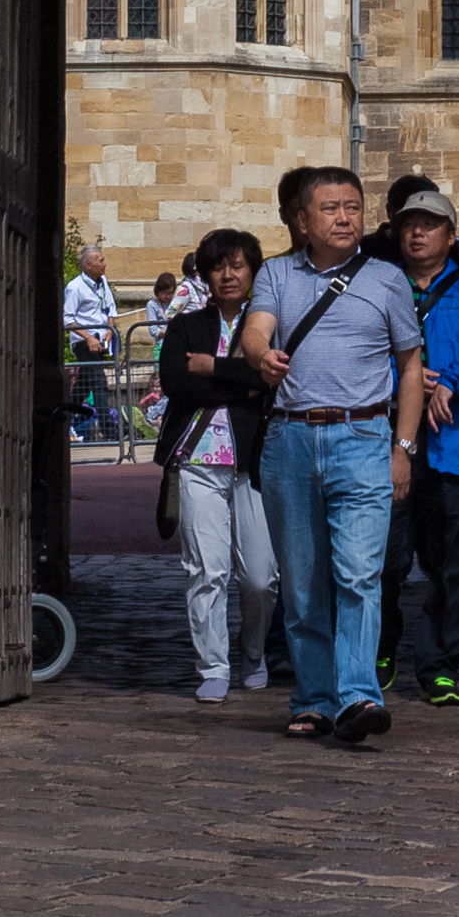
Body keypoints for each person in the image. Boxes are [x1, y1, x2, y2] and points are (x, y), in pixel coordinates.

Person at [242, 162, 424, 744]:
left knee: (359, 574)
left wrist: (403, 447)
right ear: (302, 220)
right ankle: (315, 698)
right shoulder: (275, 274)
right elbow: (256, 328)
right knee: (301, 584)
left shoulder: (387, 279)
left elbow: (411, 368)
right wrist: (260, 356)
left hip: (364, 440)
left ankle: (357, 697)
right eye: (330, 208)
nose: (345, 217)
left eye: (353, 207)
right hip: (290, 443)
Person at [371, 178, 459, 706]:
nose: (417, 233)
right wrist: (406, 381)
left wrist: (449, 378)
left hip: (454, 449)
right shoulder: (379, 288)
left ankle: (439, 664)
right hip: (389, 448)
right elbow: (359, 353)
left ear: (451, 236)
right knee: (384, 561)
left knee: (449, 566)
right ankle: (381, 647)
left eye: (429, 225)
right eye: (409, 225)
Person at [154, 226, 278, 703]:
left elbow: (269, 378)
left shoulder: (267, 324)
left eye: (238, 265)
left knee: (260, 576)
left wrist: (214, 368)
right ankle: (212, 662)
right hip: (197, 458)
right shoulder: (187, 326)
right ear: (206, 274)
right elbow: (175, 384)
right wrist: (240, 383)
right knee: (207, 570)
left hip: (255, 460)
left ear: (252, 271)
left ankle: (253, 649)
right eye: (219, 266)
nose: (228, 275)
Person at [62, 235, 123, 447]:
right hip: (83, 342)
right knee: (99, 381)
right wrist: (88, 337)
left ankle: (64, 419)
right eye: (100, 260)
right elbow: (67, 318)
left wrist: (109, 329)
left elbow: (111, 308)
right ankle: (108, 429)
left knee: (83, 386)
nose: (104, 264)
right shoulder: (75, 287)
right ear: (88, 265)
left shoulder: (103, 283)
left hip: (101, 339)